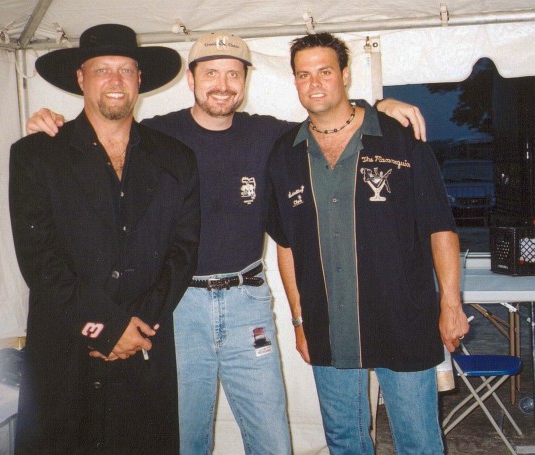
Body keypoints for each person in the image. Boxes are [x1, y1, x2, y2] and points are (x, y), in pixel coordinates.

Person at [26, 31, 427, 454]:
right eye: (211, 73)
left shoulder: (269, 135)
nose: (222, 84)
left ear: (245, 80)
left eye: (233, 74)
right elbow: (100, 130)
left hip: (246, 303)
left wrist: (376, 107)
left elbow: (329, 118)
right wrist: (50, 124)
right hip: (179, 307)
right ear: (191, 80)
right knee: (183, 437)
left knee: (272, 441)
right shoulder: (155, 137)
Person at [267, 32, 470, 454]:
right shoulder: (284, 153)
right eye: (303, 75)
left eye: (325, 71)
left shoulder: (400, 139)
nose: (315, 83)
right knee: (345, 441)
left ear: (345, 74)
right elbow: (285, 245)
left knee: (418, 440)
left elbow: (440, 228)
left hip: (405, 317)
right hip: (328, 325)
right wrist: (300, 322)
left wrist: (451, 305)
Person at [9, 24, 200, 454]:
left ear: (139, 79)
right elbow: (38, 257)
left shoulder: (176, 159)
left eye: (126, 70)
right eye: (103, 70)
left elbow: (182, 253)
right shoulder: (35, 156)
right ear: (81, 78)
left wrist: (135, 330)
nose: (116, 81)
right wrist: (105, 329)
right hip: (66, 351)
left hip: (142, 349)